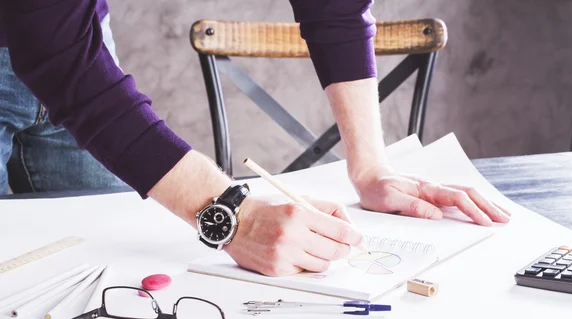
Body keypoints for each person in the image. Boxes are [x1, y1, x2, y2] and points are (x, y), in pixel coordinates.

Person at [0, 1, 510, 277]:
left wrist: (370, 165)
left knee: (96, 280)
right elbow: (55, 50)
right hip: (61, 47)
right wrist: (232, 217)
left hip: (78, 38)